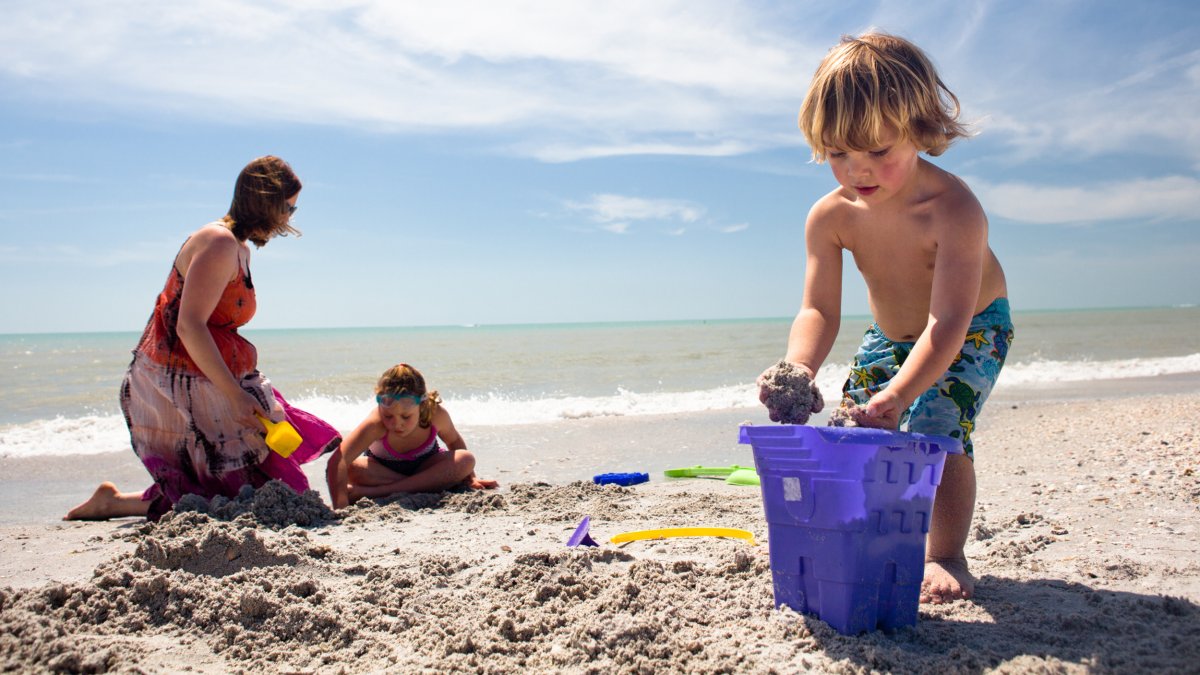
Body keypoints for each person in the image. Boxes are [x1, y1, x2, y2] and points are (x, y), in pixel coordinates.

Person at [758, 32, 1013, 604]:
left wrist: (901, 393)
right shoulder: (830, 216)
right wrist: (798, 367)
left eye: (878, 151)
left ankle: (946, 554)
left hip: (970, 327)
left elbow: (947, 322)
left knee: (936, 427)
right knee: (858, 428)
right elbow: (818, 308)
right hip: (890, 334)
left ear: (920, 132)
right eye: (839, 154)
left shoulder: (952, 210)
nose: (857, 171)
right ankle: (877, 536)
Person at [66, 156, 341, 521]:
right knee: (248, 485)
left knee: (236, 485)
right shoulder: (219, 243)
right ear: (266, 200)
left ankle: (112, 502)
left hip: (213, 372)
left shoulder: (239, 249)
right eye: (288, 207)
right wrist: (233, 394)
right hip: (178, 376)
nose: (291, 216)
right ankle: (112, 503)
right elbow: (189, 325)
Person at [325, 363, 498, 508]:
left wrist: (471, 477)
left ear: (421, 404)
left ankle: (374, 493)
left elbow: (454, 441)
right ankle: (427, 486)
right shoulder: (375, 423)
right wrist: (341, 507)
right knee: (351, 467)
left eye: (406, 417)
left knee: (466, 459)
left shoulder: (435, 414)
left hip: (424, 467)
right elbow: (338, 460)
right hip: (382, 472)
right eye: (388, 416)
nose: (396, 423)